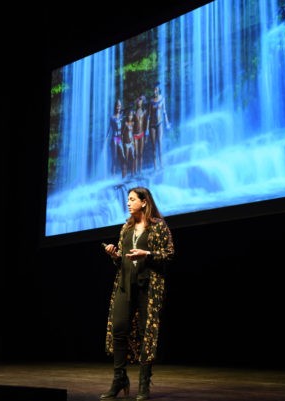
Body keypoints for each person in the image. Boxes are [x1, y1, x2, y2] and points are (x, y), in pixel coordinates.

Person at [101, 186, 175, 400]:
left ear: (144, 202)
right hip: (125, 284)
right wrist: (115, 255)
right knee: (118, 330)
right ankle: (119, 379)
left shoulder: (158, 226)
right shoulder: (126, 228)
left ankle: (144, 384)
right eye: (128, 199)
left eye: (132, 199)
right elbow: (123, 260)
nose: (128, 203)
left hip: (148, 287)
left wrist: (147, 253)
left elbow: (169, 254)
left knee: (145, 334)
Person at [146, 83, 171, 171]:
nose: (155, 91)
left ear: (158, 90)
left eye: (156, 90)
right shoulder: (151, 101)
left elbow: (164, 111)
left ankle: (161, 163)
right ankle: (155, 165)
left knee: (160, 142)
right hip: (152, 125)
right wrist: (146, 129)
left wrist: (167, 122)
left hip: (159, 123)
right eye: (154, 90)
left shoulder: (162, 98)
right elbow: (149, 115)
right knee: (153, 145)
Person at [106, 99, 125, 176]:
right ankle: (112, 175)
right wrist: (106, 137)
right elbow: (109, 128)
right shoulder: (112, 117)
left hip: (120, 138)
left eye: (120, 106)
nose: (118, 107)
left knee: (123, 156)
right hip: (114, 138)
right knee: (114, 157)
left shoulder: (122, 116)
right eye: (117, 106)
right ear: (115, 107)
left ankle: (123, 174)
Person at [133, 95, 148, 175]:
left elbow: (146, 125)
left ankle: (140, 170)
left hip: (142, 134)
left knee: (141, 153)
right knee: (135, 153)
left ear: (142, 103)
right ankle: (135, 170)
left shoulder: (144, 112)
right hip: (135, 135)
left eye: (140, 101)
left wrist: (146, 136)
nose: (139, 103)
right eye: (138, 101)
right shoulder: (134, 112)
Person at [122, 108, 136, 178]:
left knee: (133, 157)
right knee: (126, 159)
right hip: (126, 143)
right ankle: (124, 175)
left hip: (131, 143)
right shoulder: (125, 124)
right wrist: (123, 143)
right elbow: (122, 134)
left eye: (131, 115)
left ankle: (132, 173)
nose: (130, 117)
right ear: (127, 116)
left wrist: (133, 141)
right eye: (129, 115)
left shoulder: (133, 123)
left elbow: (133, 133)